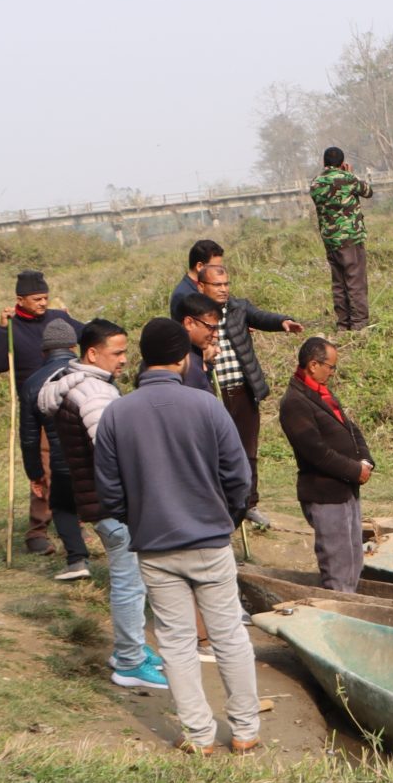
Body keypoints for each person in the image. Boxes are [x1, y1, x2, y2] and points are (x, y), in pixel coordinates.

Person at [93, 319, 261, 754]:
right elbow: (238, 475)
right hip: (210, 540)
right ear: (183, 358)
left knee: (175, 642)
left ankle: (199, 736)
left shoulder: (117, 413)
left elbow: (108, 492)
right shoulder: (207, 406)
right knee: (229, 636)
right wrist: (225, 515)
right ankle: (244, 731)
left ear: (144, 359)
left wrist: (141, 519)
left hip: (154, 546)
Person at [39, 319, 169, 692]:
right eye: (117, 352)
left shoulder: (79, 386)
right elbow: (113, 450)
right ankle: (128, 662)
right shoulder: (95, 395)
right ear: (92, 353)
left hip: (97, 499)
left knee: (131, 582)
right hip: (112, 504)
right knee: (130, 585)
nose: (124, 360)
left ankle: (132, 649)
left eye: (126, 351)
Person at [192, 257, 302, 528]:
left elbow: (260, 317)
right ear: (201, 286)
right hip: (211, 393)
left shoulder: (238, 308)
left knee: (248, 450)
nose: (223, 289)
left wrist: (282, 322)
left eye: (226, 283)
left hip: (242, 389)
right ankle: (219, 505)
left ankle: (249, 504)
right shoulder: (192, 316)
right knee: (215, 452)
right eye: (216, 284)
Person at [0, 270, 75, 554]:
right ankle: (37, 530)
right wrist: (1, 330)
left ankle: (76, 519)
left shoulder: (57, 318)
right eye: (37, 299)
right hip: (37, 410)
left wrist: (70, 321)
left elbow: (89, 335)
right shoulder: (11, 327)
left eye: (45, 298)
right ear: (19, 300)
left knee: (75, 463)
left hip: (68, 401)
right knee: (45, 470)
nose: (42, 303)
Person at [280, 335, 374, 593]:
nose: (333, 373)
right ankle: (339, 611)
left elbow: (350, 428)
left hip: (345, 488)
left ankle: (349, 606)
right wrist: (355, 470)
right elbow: (316, 452)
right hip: (325, 493)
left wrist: (365, 460)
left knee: (354, 556)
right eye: (330, 367)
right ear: (313, 365)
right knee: (337, 563)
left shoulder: (321, 393)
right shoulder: (294, 403)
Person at [26, 312, 94, 579]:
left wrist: (35, 473)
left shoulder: (33, 383)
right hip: (96, 453)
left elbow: (30, 436)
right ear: (74, 348)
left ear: (44, 351)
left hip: (61, 458)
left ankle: (77, 560)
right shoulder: (90, 374)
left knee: (61, 503)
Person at [310, 148, 376, 330]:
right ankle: (358, 325)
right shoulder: (347, 179)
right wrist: (349, 174)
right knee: (355, 282)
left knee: (339, 283)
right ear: (342, 162)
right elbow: (368, 192)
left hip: (330, 240)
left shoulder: (315, 183)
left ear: (324, 163)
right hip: (350, 238)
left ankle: (343, 323)